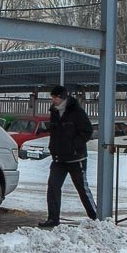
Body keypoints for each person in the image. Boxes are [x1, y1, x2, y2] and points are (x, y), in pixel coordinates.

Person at [39, 85, 97, 227]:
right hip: (59, 159)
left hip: (76, 158)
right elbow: (55, 133)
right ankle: (53, 218)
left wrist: (74, 146)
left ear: (61, 97)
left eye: (54, 97)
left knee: (82, 188)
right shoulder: (54, 112)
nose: (52, 100)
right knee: (53, 186)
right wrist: (53, 148)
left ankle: (96, 217)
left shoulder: (76, 112)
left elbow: (87, 131)